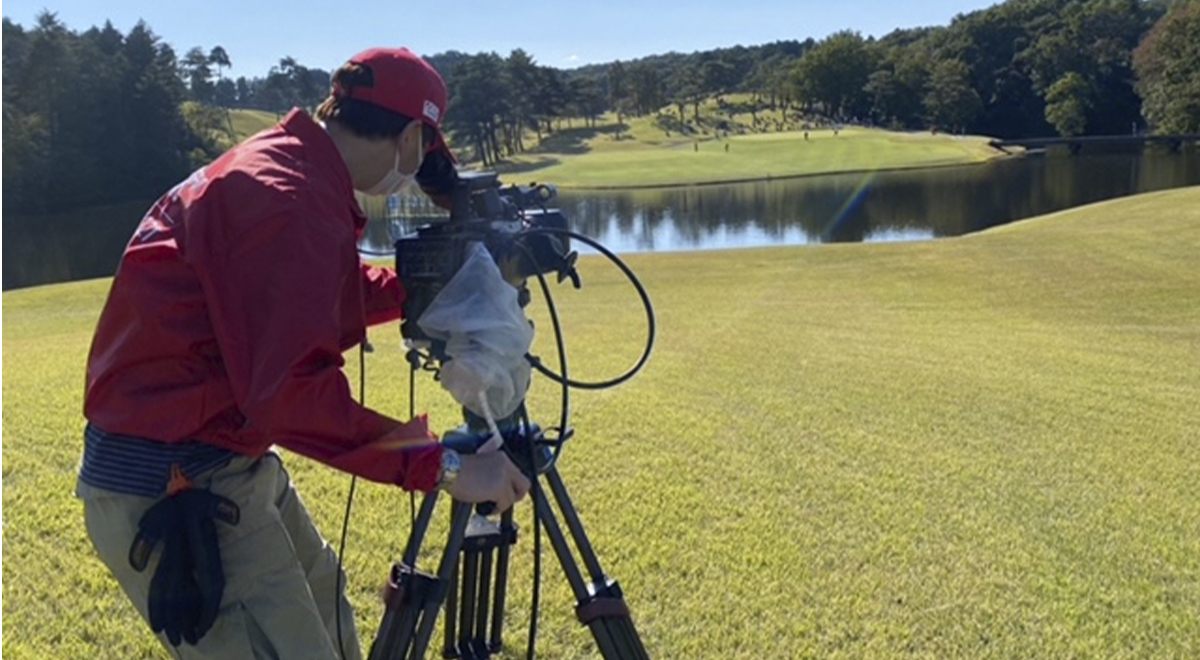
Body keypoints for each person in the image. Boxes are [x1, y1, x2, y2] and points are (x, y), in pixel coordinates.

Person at [76, 47, 530, 659]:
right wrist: (445, 466)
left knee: (329, 622)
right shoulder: (287, 200)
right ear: (413, 138)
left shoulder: (290, 170)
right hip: (173, 480)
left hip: (223, 461)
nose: (418, 168)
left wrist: (421, 287)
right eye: (424, 152)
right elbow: (291, 395)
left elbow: (295, 298)